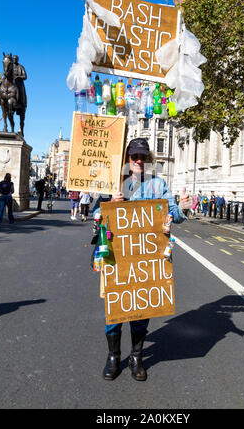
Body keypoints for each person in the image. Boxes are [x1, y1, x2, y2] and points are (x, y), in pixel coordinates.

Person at [93, 138, 191, 382]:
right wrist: (109, 205)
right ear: (127, 157)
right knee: (115, 309)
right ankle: (113, 357)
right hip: (115, 257)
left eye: (143, 156)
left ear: (148, 159)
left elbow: (174, 215)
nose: (139, 160)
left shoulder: (158, 185)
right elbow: (96, 216)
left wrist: (185, 207)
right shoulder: (114, 183)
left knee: (141, 307)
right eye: (134, 156)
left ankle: (136, 357)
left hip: (146, 260)